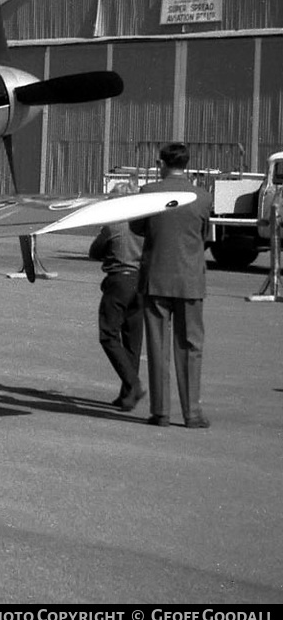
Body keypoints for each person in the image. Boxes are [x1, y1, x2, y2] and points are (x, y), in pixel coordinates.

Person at [129, 143, 214, 429]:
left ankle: (161, 411)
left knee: (157, 345)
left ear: (161, 163)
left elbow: (137, 229)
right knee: (190, 345)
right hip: (190, 280)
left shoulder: (148, 193)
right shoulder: (202, 197)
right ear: (187, 164)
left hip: (156, 277)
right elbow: (204, 235)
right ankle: (192, 413)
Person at [88, 190, 144, 411]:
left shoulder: (114, 225)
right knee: (133, 341)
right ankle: (127, 393)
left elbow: (95, 251)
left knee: (109, 334)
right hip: (141, 282)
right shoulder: (142, 226)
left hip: (119, 281)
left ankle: (133, 384)